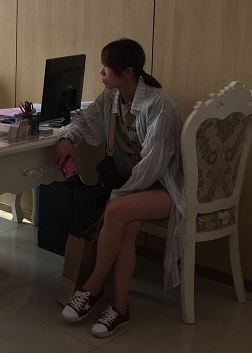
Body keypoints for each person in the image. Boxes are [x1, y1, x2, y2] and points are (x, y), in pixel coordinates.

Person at [53, 38, 184, 338]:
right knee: (126, 224)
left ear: (127, 72)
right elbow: (85, 122)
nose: (101, 72)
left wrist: (119, 196)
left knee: (115, 211)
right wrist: (67, 138)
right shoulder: (112, 97)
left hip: (164, 188)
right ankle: (120, 308)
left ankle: (93, 287)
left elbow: (153, 166)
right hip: (135, 189)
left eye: (107, 67)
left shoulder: (158, 106)